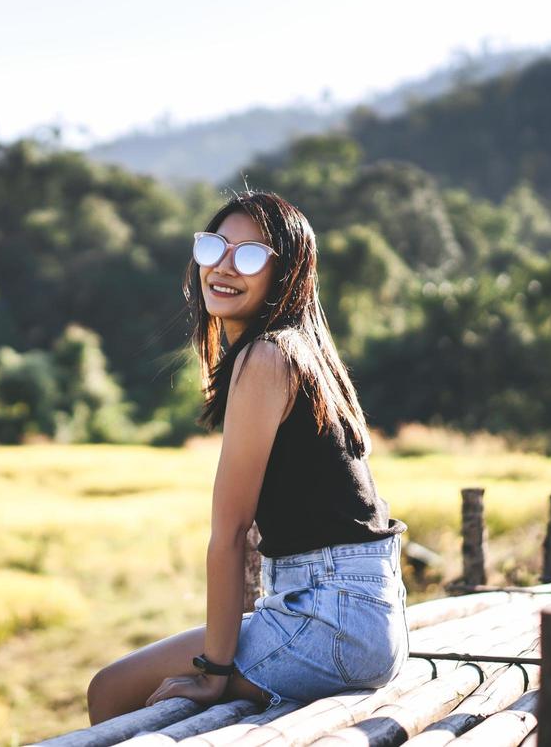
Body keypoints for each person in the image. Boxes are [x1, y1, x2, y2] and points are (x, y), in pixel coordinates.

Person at [85, 189, 409, 723]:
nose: (225, 267)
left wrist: (213, 673)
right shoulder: (298, 352)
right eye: (215, 247)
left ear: (286, 275)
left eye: (252, 255)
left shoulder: (266, 356)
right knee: (124, 687)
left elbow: (230, 532)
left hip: (332, 621)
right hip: (356, 615)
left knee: (112, 692)